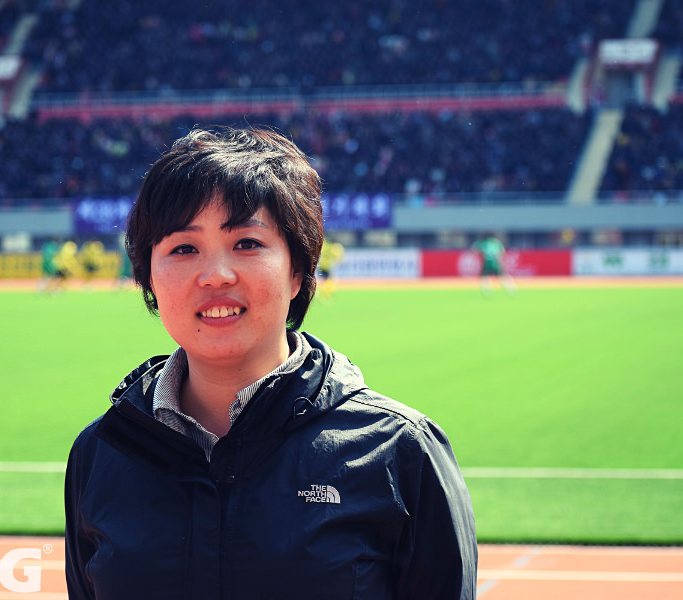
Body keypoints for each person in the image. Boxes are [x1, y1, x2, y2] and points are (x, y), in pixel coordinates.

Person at [65, 126, 477, 599]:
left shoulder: (400, 450)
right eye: (183, 248)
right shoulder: (102, 452)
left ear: (298, 269)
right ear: (149, 278)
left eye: (247, 243)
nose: (216, 275)